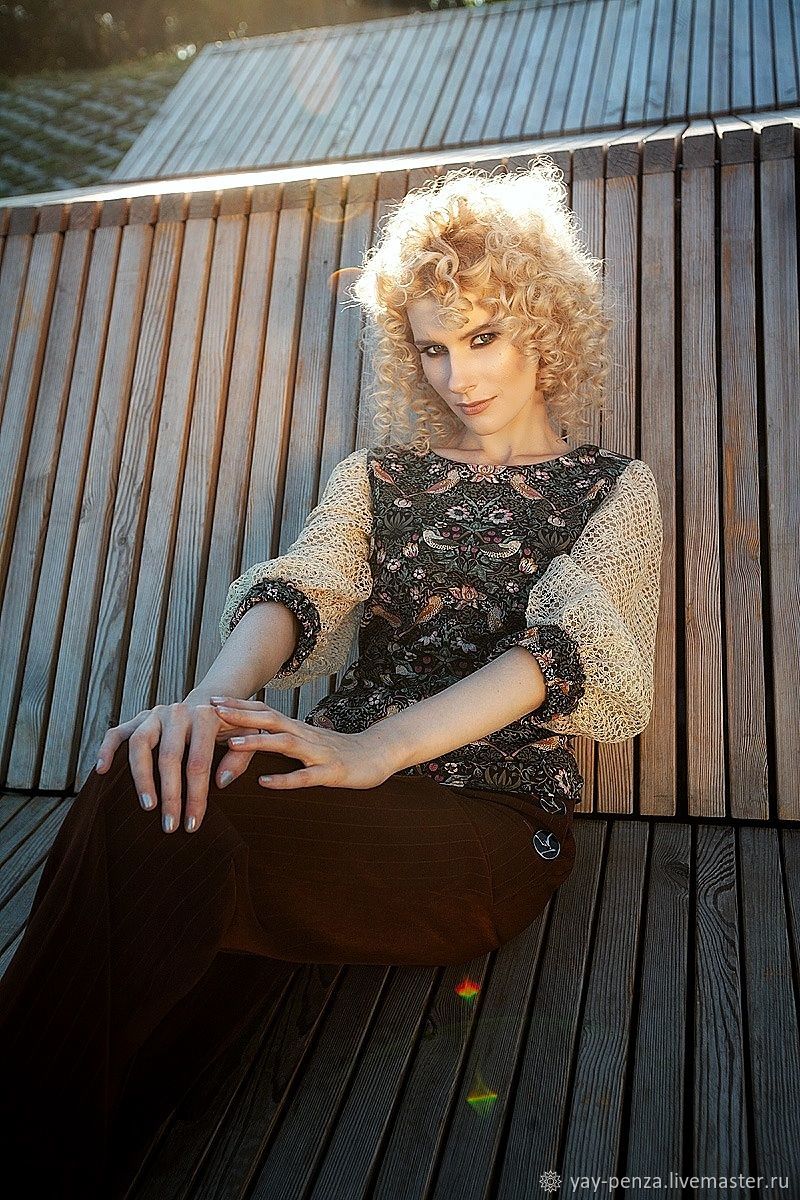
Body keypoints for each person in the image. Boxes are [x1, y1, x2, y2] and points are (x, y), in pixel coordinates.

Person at [0, 160, 663, 1197]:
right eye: (432, 347)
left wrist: (374, 749)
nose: (457, 375)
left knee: (167, 835)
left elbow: (561, 655)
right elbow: (303, 587)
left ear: (542, 324)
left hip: (488, 822)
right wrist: (209, 708)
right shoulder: (378, 477)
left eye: (482, 336)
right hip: (331, 789)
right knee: (153, 773)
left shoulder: (612, 489)